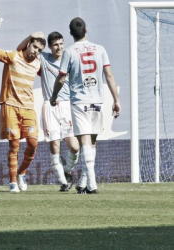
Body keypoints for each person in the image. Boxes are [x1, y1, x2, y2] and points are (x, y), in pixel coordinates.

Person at [50, 17, 121, 194]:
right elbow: (109, 75)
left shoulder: (69, 52)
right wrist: (116, 100)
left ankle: (93, 183)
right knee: (92, 142)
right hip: (97, 100)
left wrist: (54, 95)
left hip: (79, 101)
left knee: (85, 142)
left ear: (70, 33)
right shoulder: (100, 49)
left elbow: (61, 77)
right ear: (86, 31)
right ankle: (84, 182)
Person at [0, 12, 46, 193]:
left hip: (28, 108)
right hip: (11, 105)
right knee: (14, 145)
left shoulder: (38, 64)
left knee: (33, 143)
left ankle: (21, 173)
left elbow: (50, 76)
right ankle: (12, 182)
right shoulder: (13, 57)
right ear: (28, 44)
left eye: (39, 50)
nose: (36, 51)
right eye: (34, 47)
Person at [18, 31, 80, 192]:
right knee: (55, 145)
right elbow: (22, 49)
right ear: (50, 47)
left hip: (67, 106)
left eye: (61, 44)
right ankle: (63, 182)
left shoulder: (70, 59)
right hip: (49, 106)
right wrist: (31, 37)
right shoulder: (44, 58)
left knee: (74, 147)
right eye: (55, 45)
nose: (59, 47)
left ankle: (66, 171)